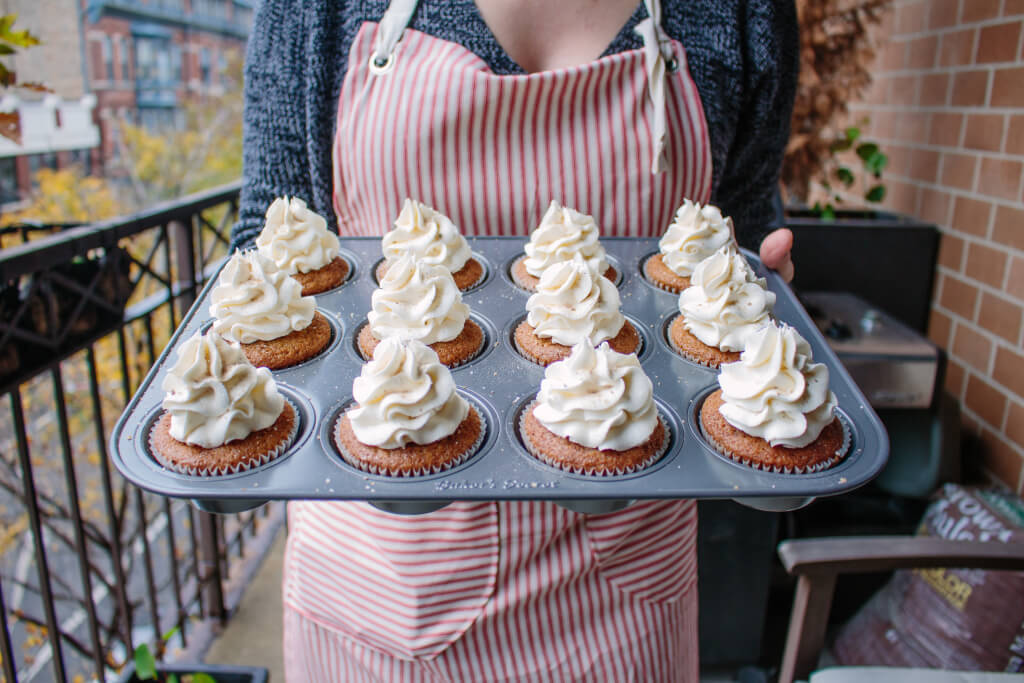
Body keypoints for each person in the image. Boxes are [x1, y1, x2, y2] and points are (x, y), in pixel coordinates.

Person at [232, 0, 798, 679]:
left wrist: (756, 294)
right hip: (380, 567)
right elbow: (266, 246)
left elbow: (732, 227)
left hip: (625, 568)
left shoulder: (739, 9)